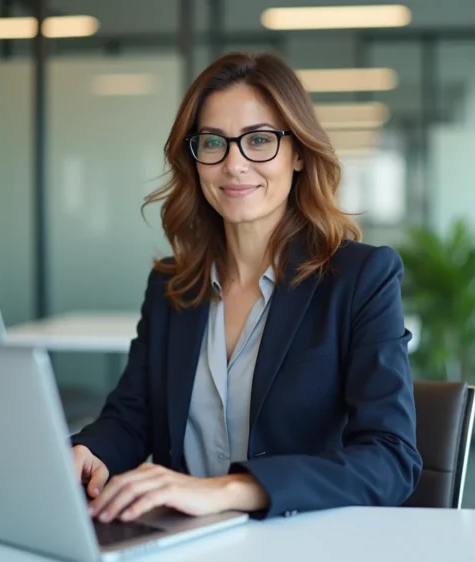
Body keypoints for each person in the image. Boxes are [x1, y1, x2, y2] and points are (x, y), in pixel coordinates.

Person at [70, 51, 422, 523]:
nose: (234, 165)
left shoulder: (361, 279)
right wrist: (90, 451)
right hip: (183, 543)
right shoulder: (172, 285)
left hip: (302, 543)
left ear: (298, 153)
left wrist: (232, 490)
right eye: (213, 142)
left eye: (259, 140)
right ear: (194, 159)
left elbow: (391, 458)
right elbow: (134, 415)